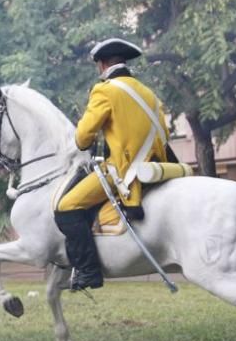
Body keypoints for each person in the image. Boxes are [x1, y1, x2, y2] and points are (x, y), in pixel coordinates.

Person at [54, 37, 171, 291]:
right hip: (157, 168)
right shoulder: (148, 93)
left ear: (103, 64)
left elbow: (83, 138)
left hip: (122, 171)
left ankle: (87, 271)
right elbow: (165, 132)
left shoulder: (104, 90)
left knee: (66, 207)